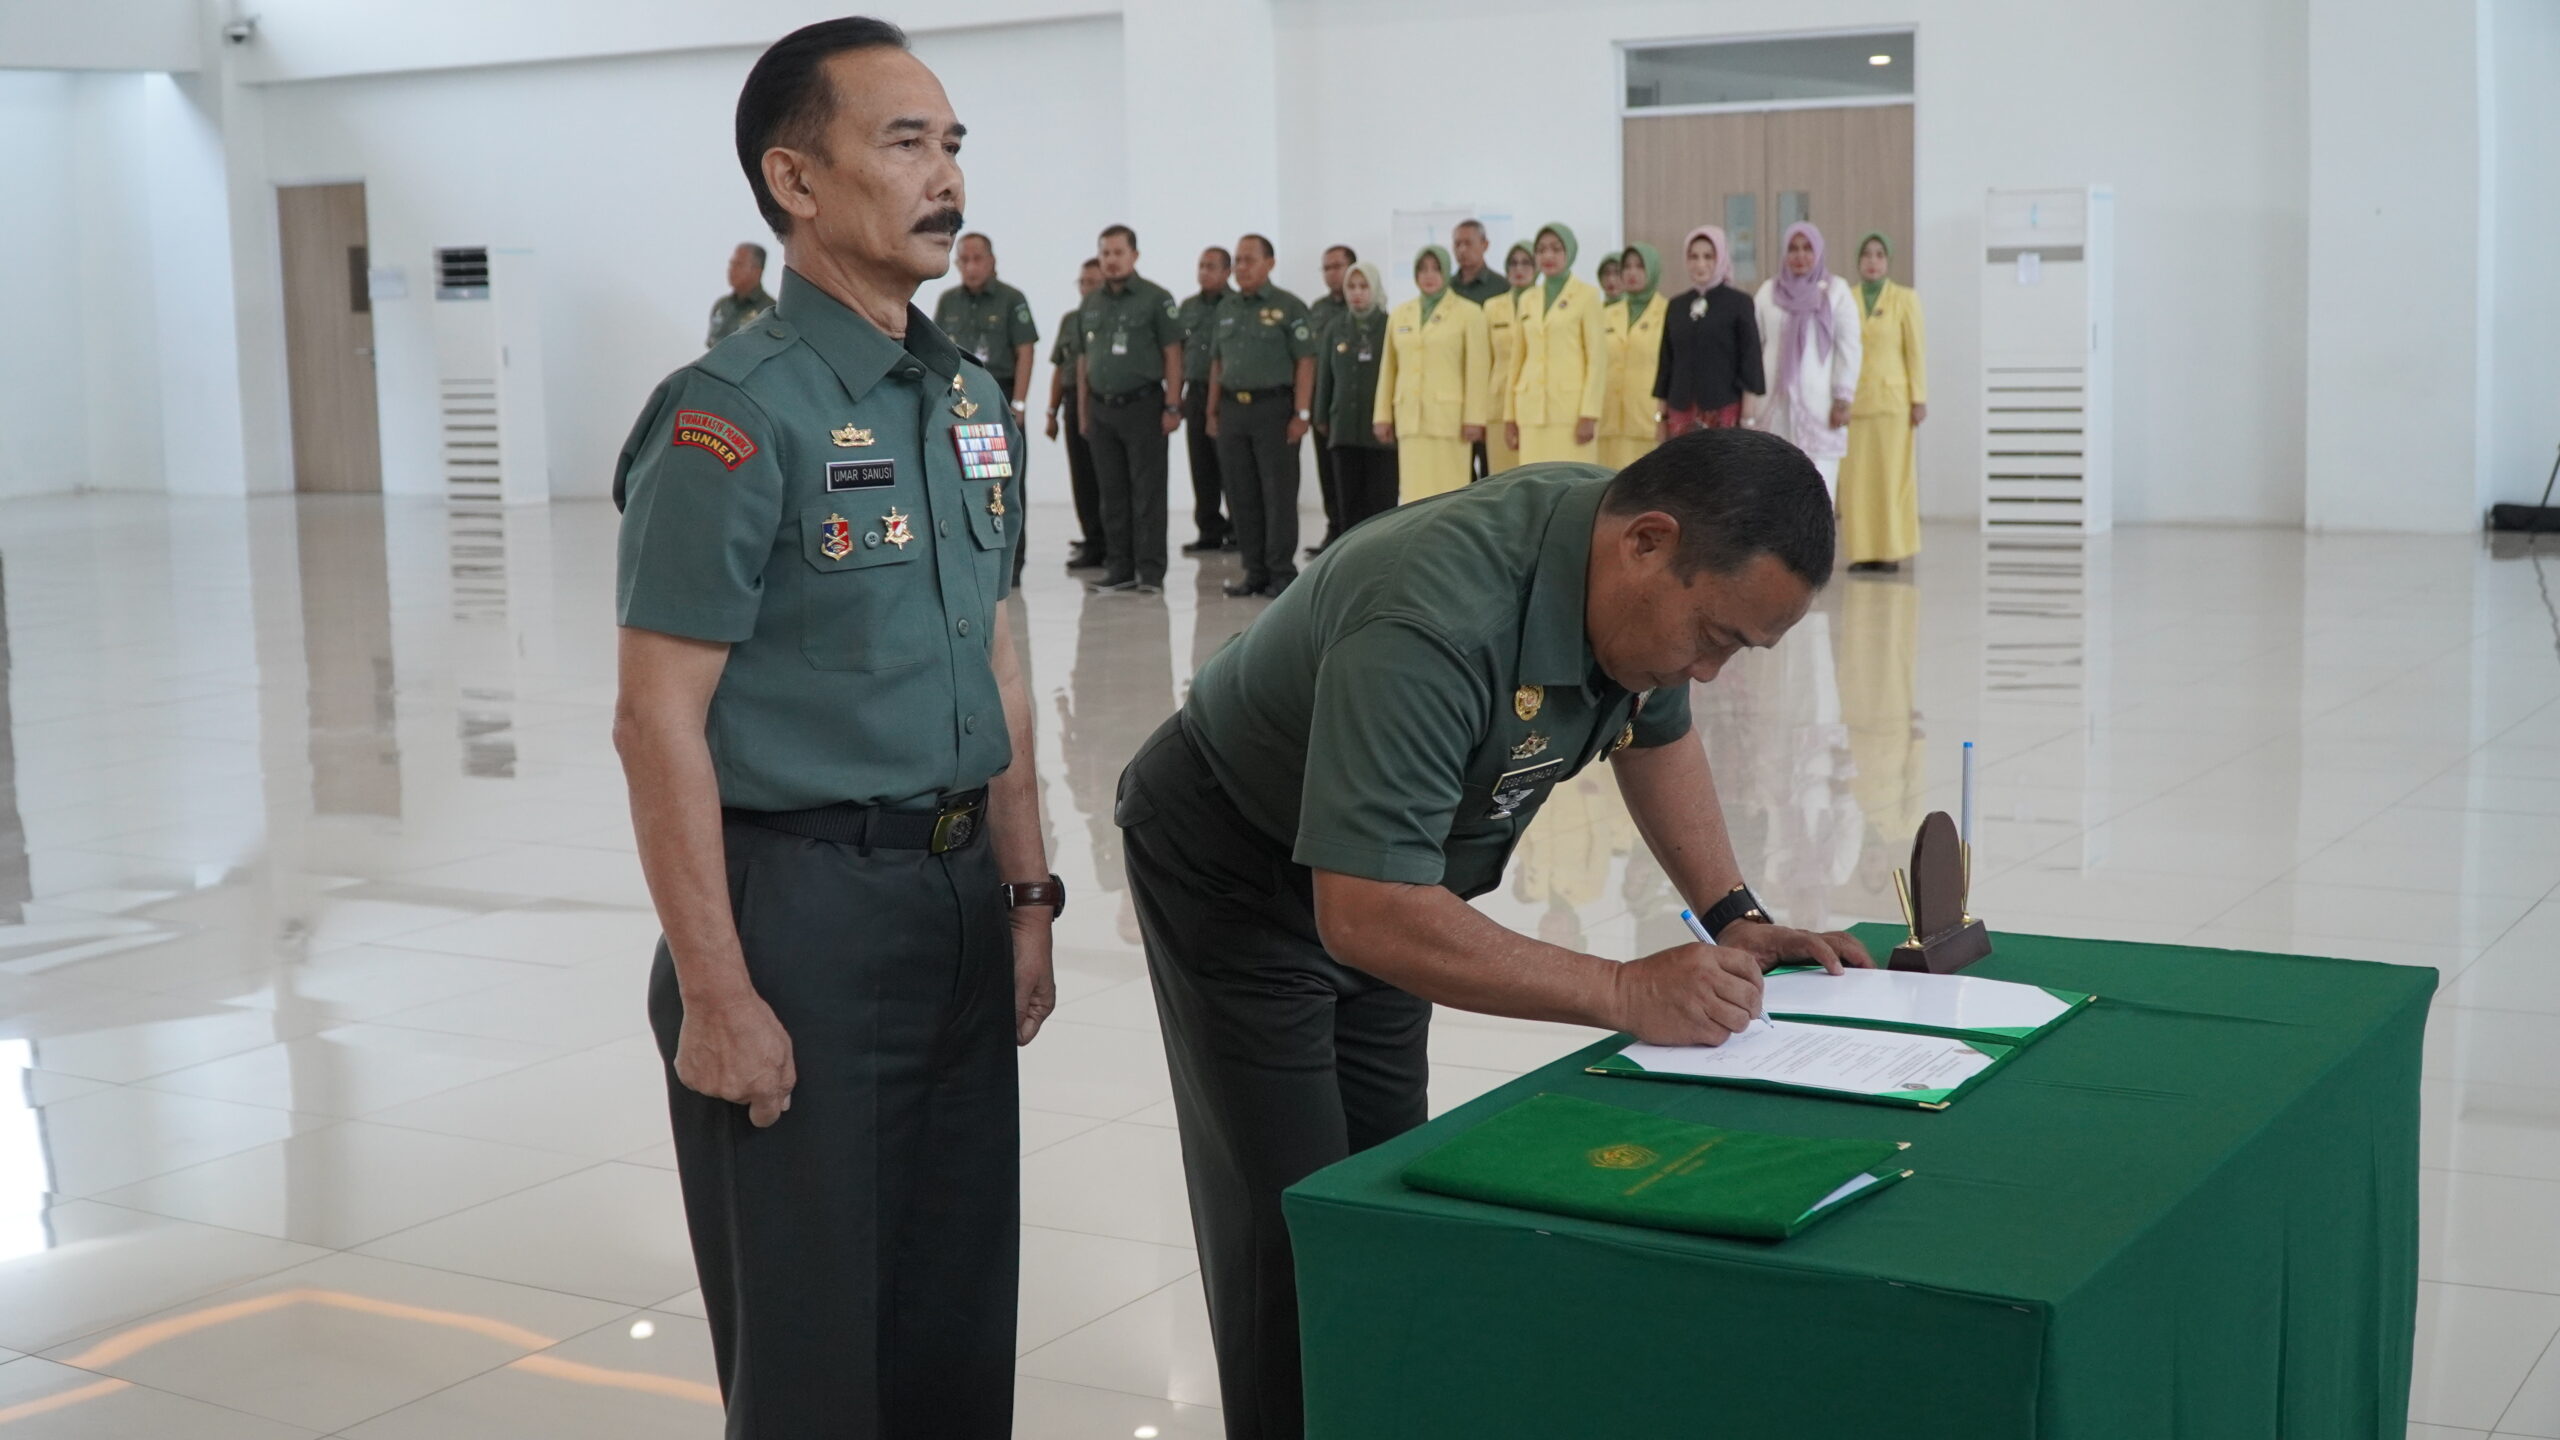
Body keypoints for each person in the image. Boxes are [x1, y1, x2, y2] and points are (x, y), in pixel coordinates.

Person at [1116, 430, 1873, 1440]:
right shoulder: (1435, 612)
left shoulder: (1639, 579)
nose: (1713, 669)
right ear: (1646, 542)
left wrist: (1738, 915)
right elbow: (1366, 913)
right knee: (1291, 1214)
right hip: (1236, 864)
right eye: (1719, 638)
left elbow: (1655, 731)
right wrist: (1620, 988)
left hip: (1401, 873)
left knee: (1386, 1186)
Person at [613, 19, 1061, 1436]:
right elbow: (654, 723)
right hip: (792, 912)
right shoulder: (729, 419)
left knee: (952, 1324)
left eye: (954, 145)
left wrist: (1028, 890)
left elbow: (996, 660)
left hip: (949, 904)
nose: (948, 180)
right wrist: (717, 990)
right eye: (906, 143)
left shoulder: (972, 401)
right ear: (795, 182)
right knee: (813, 1362)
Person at [1077, 223, 1186, 594]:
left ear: (1134, 256)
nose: (1111, 260)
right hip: (1102, 408)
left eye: (1118, 253)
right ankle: (1120, 568)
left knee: (1148, 493)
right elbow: (1083, 359)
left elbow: (1173, 353)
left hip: (1144, 406)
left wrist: (1173, 404)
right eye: (1105, 253)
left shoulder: (1157, 299)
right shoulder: (1091, 302)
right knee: (1112, 494)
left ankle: (1151, 573)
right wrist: (1083, 411)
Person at [1206, 233, 1317, 598]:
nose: (1241, 267)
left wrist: (1302, 412)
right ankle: (1253, 571)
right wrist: (1212, 410)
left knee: (1278, 494)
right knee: (1241, 495)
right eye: (1237, 260)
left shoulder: (1289, 307)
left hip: (1275, 409)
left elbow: (1305, 361)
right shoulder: (1226, 308)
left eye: (1249, 260)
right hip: (1233, 411)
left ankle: (1281, 572)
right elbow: (1217, 363)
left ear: (1270, 264)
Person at [1838, 232, 1928, 573]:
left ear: (1887, 261)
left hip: (1893, 403)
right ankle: (1862, 551)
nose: (1872, 261)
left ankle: (1891, 551)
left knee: (1891, 478)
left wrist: (1919, 397)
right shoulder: (1846, 298)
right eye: (1866, 255)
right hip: (1856, 404)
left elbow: (1915, 351)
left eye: (1879, 255)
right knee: (1858, 481)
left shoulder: (1904, 299)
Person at [1751, 221, 1862, 499]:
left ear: (1819, 251)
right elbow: (1754, 345)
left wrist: (1842, 398)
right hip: (1775, 407)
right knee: (1774, 489)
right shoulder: (1768, 292)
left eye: (1807, 248)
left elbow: (1849, 347)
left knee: (1818, 488)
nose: (1800, 256)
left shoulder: (1836, 292)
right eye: (1793, 248)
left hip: (1820, 407)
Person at [1373, 244, 1490, 502]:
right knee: (1414, 494)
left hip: (1450, 421)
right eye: (1422, 269)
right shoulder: (1400, 314)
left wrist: (1475, 418)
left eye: (1436, 269)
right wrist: (1382, 415)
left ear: (1447, 272)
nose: (1429, 275)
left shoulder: (1469, 313)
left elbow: (1478, 370)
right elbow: (1388, 369)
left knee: (1448, 493)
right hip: (1409, 418)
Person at [1503, 223, 1607, 467]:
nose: (1548, 256)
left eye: (1556, 249)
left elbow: (1597, 360)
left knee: (1570, 482)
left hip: (1571, 413)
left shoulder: (1587, 295)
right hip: (1530, 411)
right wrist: (1510, 416)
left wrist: (1589, 414)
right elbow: (1517, 360)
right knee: (1533, 483)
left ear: (1568, 252)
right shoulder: (1528, 298)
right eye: (1541, 250)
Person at [1653, 225, 1763, 437]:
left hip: (1724, 409)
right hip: (1681, 410)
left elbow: (1751, 362)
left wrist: (1748, 417)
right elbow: (1666, 364)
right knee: (1680, 469)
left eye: (1708, 256)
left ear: (1720, 258)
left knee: (1722, 470)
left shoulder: (1739, 303)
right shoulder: (1677, 305)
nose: (1700, 264)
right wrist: (1660, 417)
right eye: (1693, 257)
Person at [1312, 259, 1397, 530]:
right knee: (1348, 504)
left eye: (1363, 286)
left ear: (1375, 288)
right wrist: (1321, 416)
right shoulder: (1335, 328)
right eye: (1351, 286)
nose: (1357, 293)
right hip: (1344, 428)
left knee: (1381, 503)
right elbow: (1324, 376)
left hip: (1381, 432)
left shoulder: (1390, 325)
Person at [933, 232, 1038, 422]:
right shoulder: (948, 301)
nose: (971, 267)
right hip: (958, 394)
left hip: (1000, 391)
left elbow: (1025, 352)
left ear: (991, 261)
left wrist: (1019, 403)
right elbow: (936, 351)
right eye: (964, 260)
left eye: (977, 259)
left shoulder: (1012, 299)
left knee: (1003, 451)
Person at [1047, 258, 1108, 571]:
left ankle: (1113, 543)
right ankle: (1093, 539)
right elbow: (1060, 367)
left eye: (1093, 282)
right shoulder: (1071, 320)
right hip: (1073, 400)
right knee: (1082, 477)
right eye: (1083, 282)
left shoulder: (1107, 317)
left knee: (1106, 478)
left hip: (1101, 402)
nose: (1087, 288)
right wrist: (1051, 411)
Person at [1178, 246, 1237, 555]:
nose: (1204, 272)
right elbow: (1179, 350)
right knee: (1201, 464)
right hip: (1196, 393)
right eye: (1201, 265)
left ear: (1227, 272)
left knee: (1231, 465)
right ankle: (1209, 529)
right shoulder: (1187, 307)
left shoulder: (1236, 305)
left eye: (1211, 266)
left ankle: (1239, 530)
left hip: (1228, 397)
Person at [1304, 245, 1356, 556]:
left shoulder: (1362, 304)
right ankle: (1333, 529)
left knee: (1349, 473)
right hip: (1323, 402)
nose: (1331, 273)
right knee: (1327, 471)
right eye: (1326, 268)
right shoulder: (1318, 309)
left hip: (1352, 405)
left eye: (1337, 266)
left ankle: (1352, 533)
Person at [1599, 243, 1666, 470]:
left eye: (1640, 266)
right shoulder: (1604, 314)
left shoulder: (1667, 312)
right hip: (1607, 420)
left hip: (1647, 419)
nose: (1632, 272)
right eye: (1626, 266)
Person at [1479, 242, 1534, 475]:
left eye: (1525, 263)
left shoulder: (1543, 305)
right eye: (1513, 263)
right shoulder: (1492, 307)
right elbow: (1482, 363)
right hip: (1498, 404)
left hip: (1533, 403)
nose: (1518, 269)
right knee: (1501, 478)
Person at [705, 242, 775, 347]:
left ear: (757, 271)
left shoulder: (769, 311)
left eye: (739, 264)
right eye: (731, 264)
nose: (731, 270)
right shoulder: (721, 306)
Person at [1447, 218, 1509, 306]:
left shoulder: (1501, 286)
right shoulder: (1447, 286)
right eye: (1457, 244)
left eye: (1468, 243)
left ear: (1485, 245)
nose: (1462, 250)